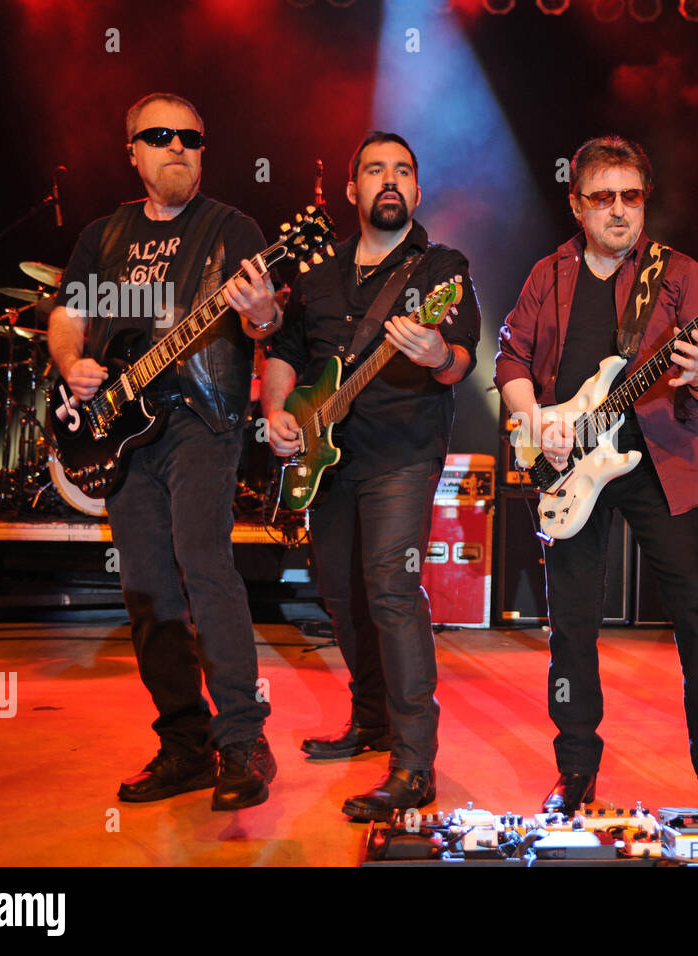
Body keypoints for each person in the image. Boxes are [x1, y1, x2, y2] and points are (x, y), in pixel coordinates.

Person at [495, 135, 698, 817]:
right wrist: (534, 421)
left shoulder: (679, 274)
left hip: (657, 462)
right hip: (572, 466)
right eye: (602, 197)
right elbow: (510, 357)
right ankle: (575, 769)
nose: (618, 211)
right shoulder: (547, 275)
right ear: (576, 204)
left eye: (630, 197)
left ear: (645, 202)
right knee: (572, 624)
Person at [48, 92, 282, 810]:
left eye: (191, 136)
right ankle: (184, 745)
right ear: (134, 152)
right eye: (160, 135)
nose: (177, 145)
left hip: (202, 422)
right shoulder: (106, 235)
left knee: (204, 563)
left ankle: (242, 741)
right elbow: (67, 315)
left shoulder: (231, 228)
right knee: (146, 587)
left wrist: (262, 309)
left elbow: (269, 323)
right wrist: (73, 365)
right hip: (123, 433)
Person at [263, 131, 481, 821]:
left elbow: (462, 363)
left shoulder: (441, 268)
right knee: (341, 595)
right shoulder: (319, 274)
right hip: (325, 458)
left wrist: (435, 350)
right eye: (375, 170)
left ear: (417, 191)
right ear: (352, 190)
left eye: (404, 171)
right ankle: (372, 722)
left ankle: (415, 765)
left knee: (390, 589)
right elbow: (286, 352)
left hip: (403, 452)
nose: (391, 181)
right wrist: (275, 411)